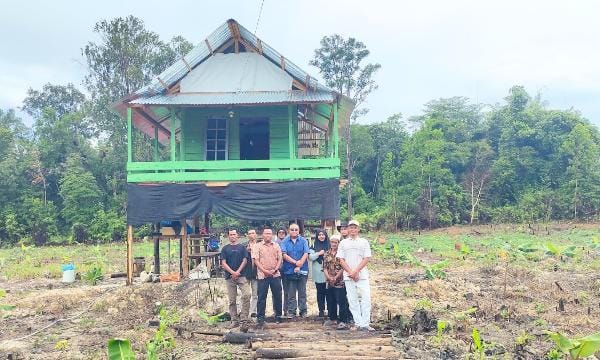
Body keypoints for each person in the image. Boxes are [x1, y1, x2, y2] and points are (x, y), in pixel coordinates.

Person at [337, 220, 373, 331]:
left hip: (362, 275)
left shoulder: (364, 242)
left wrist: (356, 271)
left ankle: (365, 323)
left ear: (358, 229)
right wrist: (350, 272)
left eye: (355, 227)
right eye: (351, 227)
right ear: (347, 229)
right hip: (348, 276)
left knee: (366, 298)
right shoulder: (343, 243)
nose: (353, 229)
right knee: (352, 300)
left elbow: (366, 258)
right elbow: (340, 259)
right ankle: (358, 323)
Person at [220, 229, 251, 327]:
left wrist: (237, 272)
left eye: (234, 234)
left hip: (241, 276)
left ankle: (244, 319)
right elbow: (223, 263)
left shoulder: (242, 248)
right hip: (229, 277)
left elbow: (245, 260)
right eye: (231, 235)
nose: (232, 236)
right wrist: (232, 272)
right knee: (232, 300)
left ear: (237, 236)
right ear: (228, 236)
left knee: (247, 295)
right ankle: (234, 320)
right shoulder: (225, 248)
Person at [253, 227, 283, 327]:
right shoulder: (257, 246)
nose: (268, 235)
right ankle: (260, 317)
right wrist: (265, 271)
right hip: (262, 275)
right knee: (261, 297)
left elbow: (280, 259)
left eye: (269, 233)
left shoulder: (277, 245)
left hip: (275, 274)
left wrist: (275, 269)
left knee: (277, 295)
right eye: (266, 233)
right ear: (262, 235)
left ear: (272, 235)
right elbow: (256, 261)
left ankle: (278, 315)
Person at [281, 223, 309, 317]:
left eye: (296, 230)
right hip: (289, 270)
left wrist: (300, 263)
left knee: (302, 292)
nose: (294, 231)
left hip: (302, 269)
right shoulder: (284, 241)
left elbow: (306, 253)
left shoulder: (304, 240)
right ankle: (291, 311)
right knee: (291, 292)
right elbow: (284, 255)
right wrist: (295, 263)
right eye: (292, 229)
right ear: (289, 231)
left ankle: (303, 311)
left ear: (299, 231)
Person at [323, 234, 349, 329]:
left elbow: (343, 267)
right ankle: (332, 318)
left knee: (341, 301)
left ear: (339, 243)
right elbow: (324, 267)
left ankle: (343, 320)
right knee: (330, 300)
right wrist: (329, 277)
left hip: (340, 282)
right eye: (332, 242)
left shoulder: (341, 254)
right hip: (329, 281)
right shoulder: (326, 253)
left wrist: (336, 277)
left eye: (336, 242)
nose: (334, 244)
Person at [308, 229, 330, 318]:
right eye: (319, 235)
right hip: (318, 272)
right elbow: (311, 257)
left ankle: (330, 310)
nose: (321, 236)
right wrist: (319, 253)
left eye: (323, 235)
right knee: (320, 292)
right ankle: (321, 310)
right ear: (317, 236)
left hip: (329, 272)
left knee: (329, 292)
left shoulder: (329, 245)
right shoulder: (313, 245)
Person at [274, 227, 288, 316]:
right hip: (276, 270)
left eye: (283, 232)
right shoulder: (274, 244)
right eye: (280, 232)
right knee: (276, 291)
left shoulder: (288, 242)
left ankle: (286, 310)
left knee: (287, 291)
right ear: (277, 234)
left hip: (286, 269)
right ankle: (276, 311)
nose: (281, 234)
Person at [245, 229, 259, 318]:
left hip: (257, 273)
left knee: (255, 294)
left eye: (253, 233)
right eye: (249, 233)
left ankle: (253, 311)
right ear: (247, 235)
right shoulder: (244, 246)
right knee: (245, 294)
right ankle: (243, 312)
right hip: (246, 273)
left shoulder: (260, 245)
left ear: (256, 235)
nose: (251, 235)